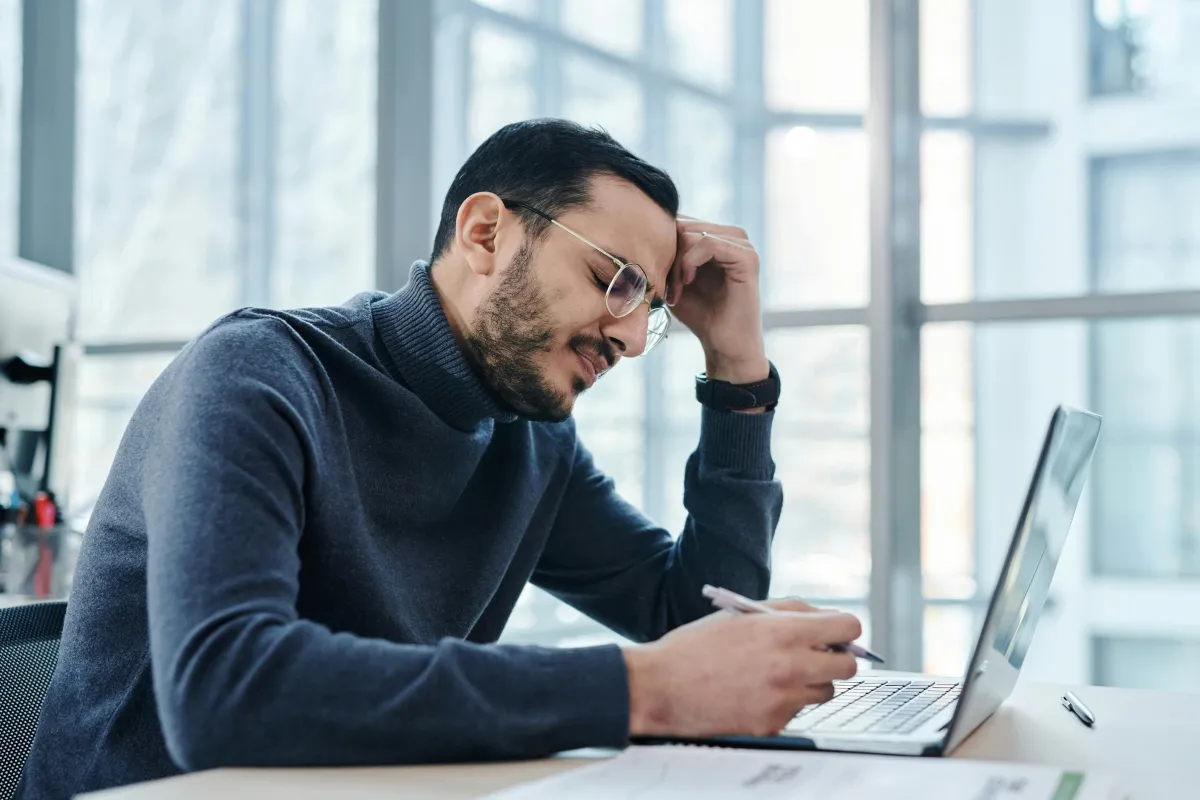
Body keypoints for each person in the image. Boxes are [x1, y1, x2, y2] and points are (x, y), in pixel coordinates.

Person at [18, 119, 862, 798]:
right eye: (617, 282)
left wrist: (738, 373)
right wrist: (640, 688)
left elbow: (694, 621)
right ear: (486, 231)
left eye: (650, 308)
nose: (635, 338)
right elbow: (227, 691)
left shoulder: (531, 441)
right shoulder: (257, 375)